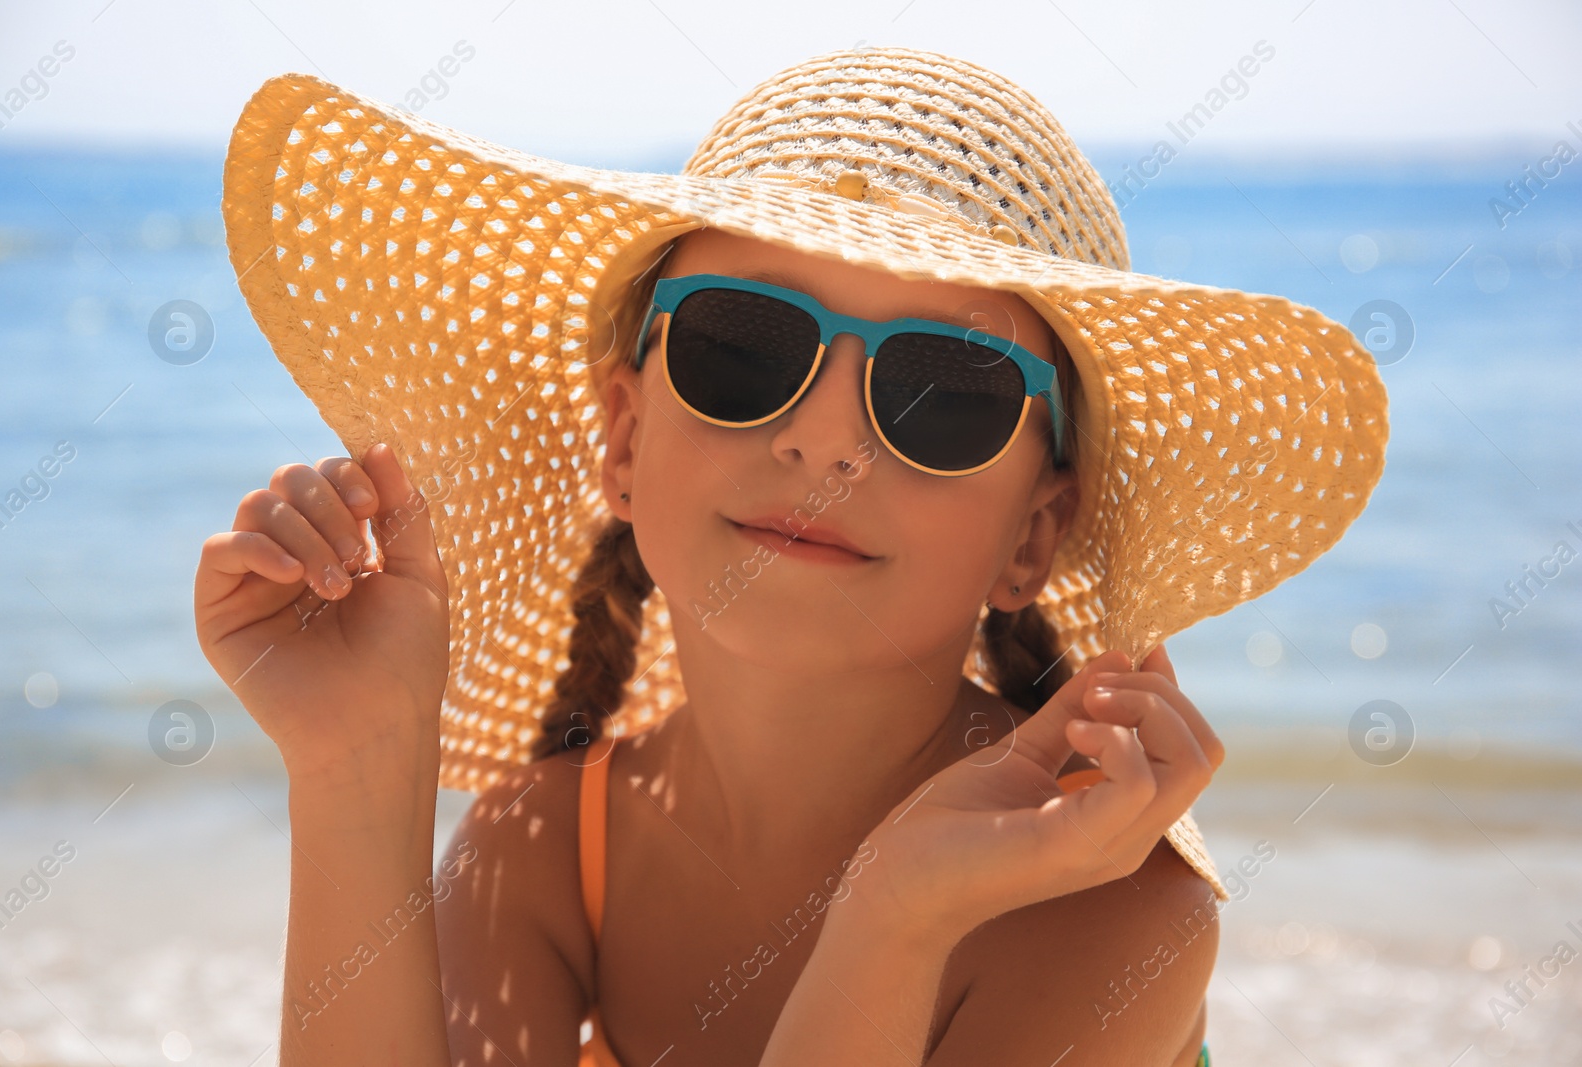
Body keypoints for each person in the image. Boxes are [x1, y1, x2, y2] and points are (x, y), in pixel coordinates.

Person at [195, 46, 1386, 1067]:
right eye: (745, 343)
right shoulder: (554, 847)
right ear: (622, 436)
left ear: (1034, 533)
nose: (822, 433)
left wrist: (899, 916)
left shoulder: (1109, 907)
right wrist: (356, 761)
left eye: (938, 388)